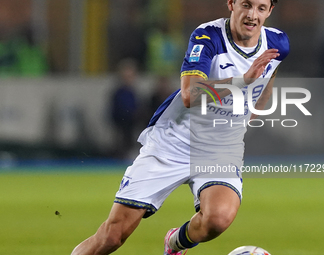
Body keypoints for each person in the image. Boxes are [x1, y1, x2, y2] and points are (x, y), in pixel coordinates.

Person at [71, 0, 289, 254]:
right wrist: (243, 81)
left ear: (270, 11)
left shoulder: (278, 43)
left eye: (261, 8)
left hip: (218, 149)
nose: (252, 15)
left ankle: (174, 244)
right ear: (231, 3)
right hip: (174, 142)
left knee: (218, 219)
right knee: (113, 236)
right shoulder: (207, 37)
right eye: (246, 5)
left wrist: (251, 112)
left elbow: (269, 74)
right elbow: (190, 94)